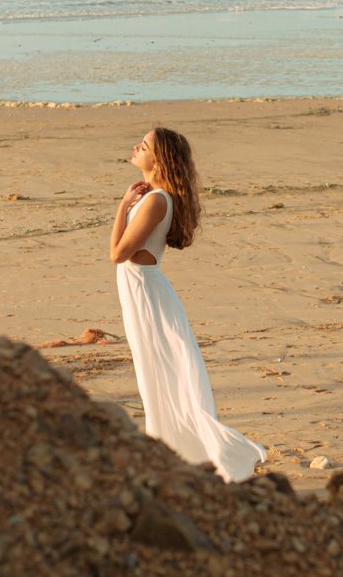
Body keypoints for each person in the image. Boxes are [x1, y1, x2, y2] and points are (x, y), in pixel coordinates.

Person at [109, 127, 264, 482]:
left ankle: (193, 454)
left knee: (161, 376)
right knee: (156, 376)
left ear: (159, 159)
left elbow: (117, 253)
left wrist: (121, 206)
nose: (136, 146)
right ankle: (169, 453)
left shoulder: (156, 200)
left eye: (144, 145)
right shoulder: (153, 198)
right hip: (141, 293)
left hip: (147, 296)